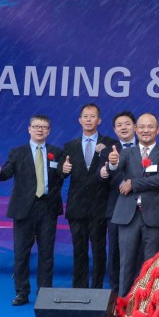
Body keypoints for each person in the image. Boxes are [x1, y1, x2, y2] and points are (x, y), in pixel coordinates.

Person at [0, 114, 66, 306]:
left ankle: (45, 292)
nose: (40, 129)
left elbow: (62, 174)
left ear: (49, 131)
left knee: (46, 254)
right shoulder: (18, 152)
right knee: (21, 253)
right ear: (29, 129)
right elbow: (6, 172)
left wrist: (66, 170)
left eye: (44, 127)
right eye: (36, 126)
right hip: (24, 209)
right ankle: (22, 292)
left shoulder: (56, 152)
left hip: (47, 208)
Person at [104, 113, 159, 294]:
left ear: (157, 130)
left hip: (154, 215)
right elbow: (116, 169)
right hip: (128, 215)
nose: (145, 130)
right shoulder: (127, 152)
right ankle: (123, 301)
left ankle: (148, 302)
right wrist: (112, 163)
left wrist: (133, 183)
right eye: (141, 127)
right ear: (136, 129)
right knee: (126, 261)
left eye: (150, 127)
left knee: (152, 263)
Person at [59, 103, 117, 290]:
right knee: (79, 250)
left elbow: (115, 172)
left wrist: (105, 155)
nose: (88, 119)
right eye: (85, 116)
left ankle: (97, 288)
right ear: (80, 120)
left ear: (99, 120)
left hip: (100, 206)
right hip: (76, 207)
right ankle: (79, 288)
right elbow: (62, 173)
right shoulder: (69, 146)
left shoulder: (110, 144)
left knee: (99, 250)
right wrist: (63, 170)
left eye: (92, 116)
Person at [103, 111, 137, 291]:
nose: (123, 127)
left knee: (138, 250)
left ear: (135, 127)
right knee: (116, 250)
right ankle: (116, 290)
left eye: (127, 124)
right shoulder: (108, 151)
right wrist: (106, 170)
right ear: (115, 130)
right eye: (119, 125)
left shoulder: (146, 148)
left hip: (141, 207)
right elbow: (100, 178)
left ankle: (138, 288)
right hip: (116, 208)